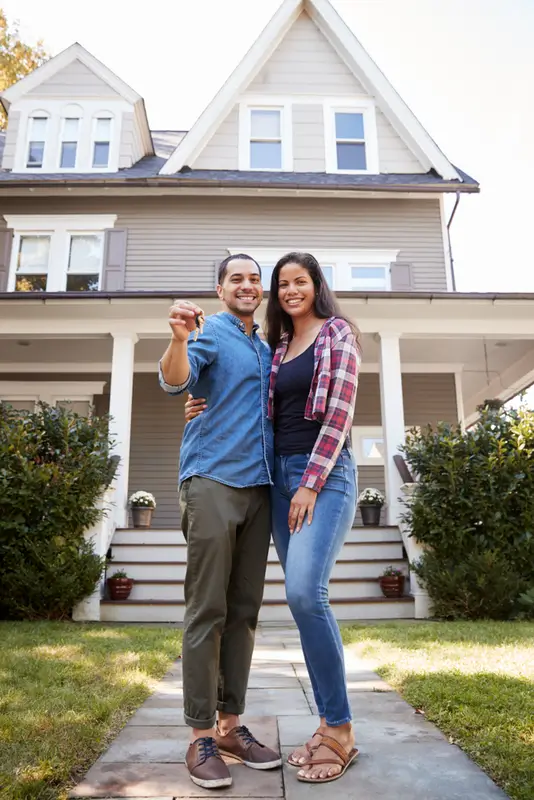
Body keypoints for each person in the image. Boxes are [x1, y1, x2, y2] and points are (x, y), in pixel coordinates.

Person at [186, 251, 361, 785]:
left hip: (320, 476)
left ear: (316, 285)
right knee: (257, 602)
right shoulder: (274, 347)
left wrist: (309, 482)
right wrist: (197, 401)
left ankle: (340, 729)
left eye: (297, 281)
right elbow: (241, 399)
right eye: (281, 283)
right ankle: (220, 731)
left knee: (307, 595)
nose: (288, 290)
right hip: (273, 480)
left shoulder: (337, 334)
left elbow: (339, 413)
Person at [158, 253, 281, 790]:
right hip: (211, 481)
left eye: (256, 279)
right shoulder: (210, 335)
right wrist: (180, 339)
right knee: (206, 609)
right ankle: (199, 736)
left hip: (260, 489)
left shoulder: (267, 346)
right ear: (220, 289)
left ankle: (231, 726)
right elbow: (174, 380)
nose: (248, 285)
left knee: (244, 611)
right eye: (238, 278)